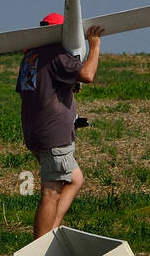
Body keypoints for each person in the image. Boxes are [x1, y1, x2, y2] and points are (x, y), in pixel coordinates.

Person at [17, 13, 104, 238]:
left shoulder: (30, 56)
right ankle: (39, 250)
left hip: (34, 133)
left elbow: (39, 89)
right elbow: (88, 74)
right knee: (51, 191)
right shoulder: (56, 54)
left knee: (75, 178)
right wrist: (94, 45)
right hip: (54, 136)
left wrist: (68, 86)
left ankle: (51, 231)